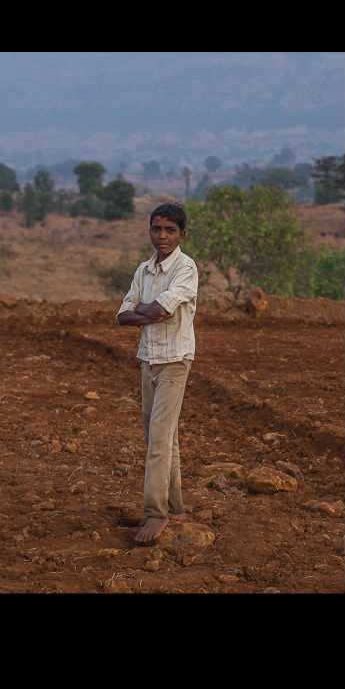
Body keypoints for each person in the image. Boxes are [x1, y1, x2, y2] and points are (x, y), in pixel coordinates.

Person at [116, 202, 198, 543]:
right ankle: (176, 507)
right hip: (148, 358)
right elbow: (123, 314)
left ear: (181, 234)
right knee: (162, 438)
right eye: (156, 229)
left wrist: (145, 312)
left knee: (159, 440)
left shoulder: (187, 268)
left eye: (169, 230)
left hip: (175, 360)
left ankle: (155, 513)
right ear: (150, 230)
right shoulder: (144, 270)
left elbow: (163, 309)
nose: (162, 236)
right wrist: (150, 313)